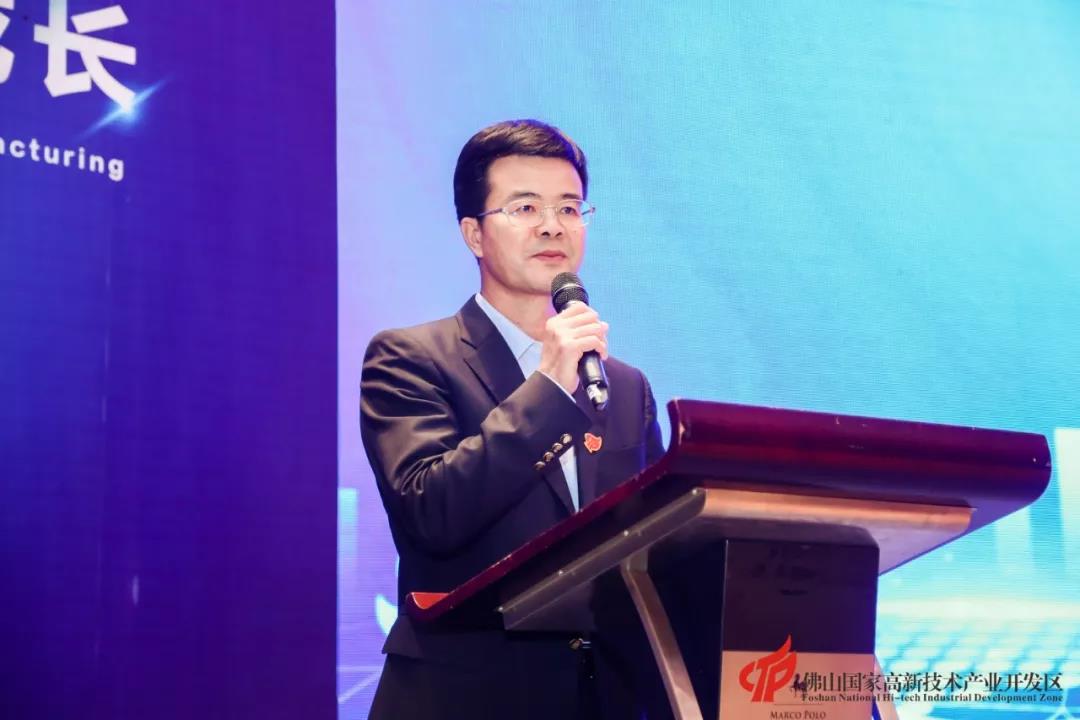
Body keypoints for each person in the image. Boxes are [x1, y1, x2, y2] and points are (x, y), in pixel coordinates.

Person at [361, 119, 669, 719]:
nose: (553, 225)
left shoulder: (625, 386)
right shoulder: (409, 358)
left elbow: (654, 541)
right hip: (465, 698)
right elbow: (433, 512)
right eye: (525, 207)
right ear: (474, 234)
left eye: (569, 208)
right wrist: (549, 387)